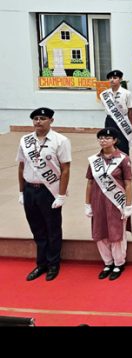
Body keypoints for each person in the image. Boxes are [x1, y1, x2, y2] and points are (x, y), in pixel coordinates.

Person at [18, 107, 72, 282]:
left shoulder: (61, 141)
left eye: (42, 118)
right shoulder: (25, 140)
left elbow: (65, 169)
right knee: (37, 229)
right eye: (36, 119)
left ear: (51, 121)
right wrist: (21, 191)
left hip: (49, 191)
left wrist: (61, 195)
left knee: (53, 229)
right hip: (29, 190)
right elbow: (21, 166)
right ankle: (41, 264)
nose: (38, 122)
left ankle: (54, 263)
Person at [85, 128, 132, 281]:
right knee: (100, 231)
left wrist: (128, 205)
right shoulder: (94, 160)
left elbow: (128, 184)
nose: (103, 140)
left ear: (115, 140)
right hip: (98, 200)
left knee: (116, 233)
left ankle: (119, 263)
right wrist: (87, 204)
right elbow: (90, 183)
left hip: (116, 202)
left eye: (107, 138)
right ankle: (107, 262)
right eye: (100, 138)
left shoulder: (123, 159)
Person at [100, 69, 132, 157]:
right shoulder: (104, 94)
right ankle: (111, 164)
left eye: (115, 78)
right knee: (109, 143)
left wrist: (131, 125)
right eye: (110, 78)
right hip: (110, 120)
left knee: (123, 144)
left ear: (120, 79)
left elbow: (130, 110)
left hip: (123, 120)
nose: (112, 80)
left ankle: (124, 164)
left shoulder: (127, 93)